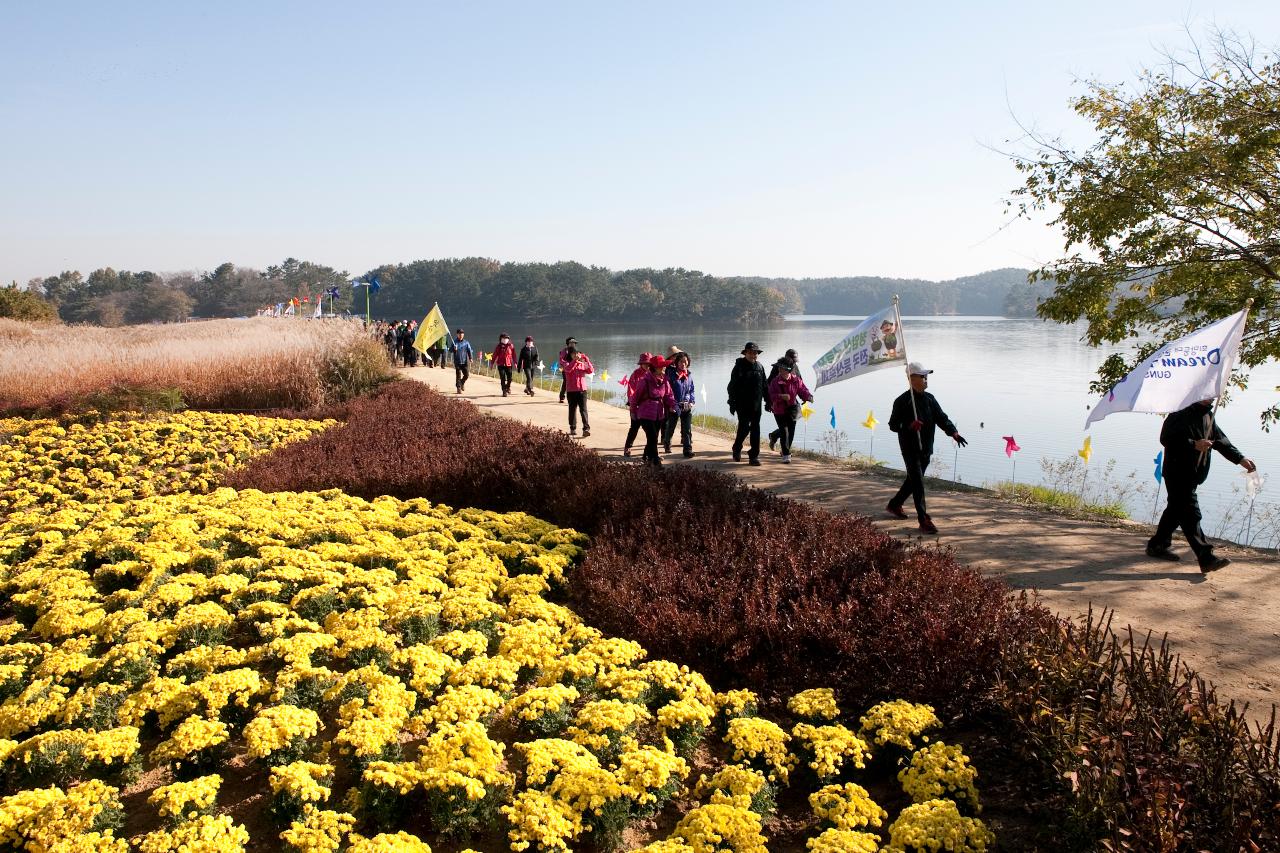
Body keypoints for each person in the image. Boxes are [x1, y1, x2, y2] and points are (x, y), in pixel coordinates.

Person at [1146, 400, 1257, 573]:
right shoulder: (1179, 412)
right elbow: (1166, 438)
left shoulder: (1207, 415)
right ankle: (1206, 557)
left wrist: (1240, 459)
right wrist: (1193, 444)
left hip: (1194, 473)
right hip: (1177, 472)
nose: (1212, 397)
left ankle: (1157, 545)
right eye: (1209, 393)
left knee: (1175, 511)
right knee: (1191, 514)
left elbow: (1220, 441)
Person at [887, 362, 967, 534]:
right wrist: (909, 425)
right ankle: (924, 520)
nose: (925, 379)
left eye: (926, 376)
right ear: (911, 378)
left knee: (913, 480)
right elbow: (893, 425)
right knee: (918, 483)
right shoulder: (902, 401)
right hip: (910, 448)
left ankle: (894, 505)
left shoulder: (930, 398)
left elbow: (941, 418)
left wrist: (953, 432)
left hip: (926, 447)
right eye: (922, 376)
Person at [727, 342, 768, 466]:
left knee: (756, 429)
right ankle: (737, 447)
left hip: (756, 405)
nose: (753, 355)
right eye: (750, 353)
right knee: (744, 427)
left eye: (755, 353)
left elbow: (765, 386)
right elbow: (731, 387)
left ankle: (753, 456)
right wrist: (732, 402)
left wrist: (768, 401)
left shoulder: (760, 367)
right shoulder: (739, 367)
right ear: (745, 353)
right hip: (742, 404)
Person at [632, 354, 676, 466]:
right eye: (661, 366)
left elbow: (669, 395)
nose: (664, 368)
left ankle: (646, 456)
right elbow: (635, 397)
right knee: (652, 437)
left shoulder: (664, 380)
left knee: (653, 437)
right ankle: (655, 461)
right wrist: (633, 411)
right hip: (645, 413)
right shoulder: (645, 381)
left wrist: (672, 405)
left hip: (659, 413)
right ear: (655, 367)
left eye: (664, 366)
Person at [767, 359, 813, 463]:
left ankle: (784, 451)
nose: (779, 370)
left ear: (788, 370)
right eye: (778, 368)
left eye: (781, 368)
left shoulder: (796, 380)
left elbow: (803, 390)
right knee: (784, 432)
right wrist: (781, 396)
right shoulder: (775, 381)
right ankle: (786, 455)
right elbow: (771, 395)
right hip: (779, 410)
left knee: (791, 432)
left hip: (793, 409)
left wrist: (808, 397)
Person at [766, 350, 802, 449]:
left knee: (792, 426)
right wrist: (768, 402)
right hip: (779, 402)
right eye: (792, 360)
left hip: (792, 402)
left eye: (795, 361)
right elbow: (769, 384)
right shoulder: (777, 368)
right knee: (784, 428)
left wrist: (805, 396)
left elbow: (800, 382)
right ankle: (785, 451)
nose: (793, 362)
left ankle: (778, 440)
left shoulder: (795, 367)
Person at [663, 351, 696, 458]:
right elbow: (668, 391)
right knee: (671, 426)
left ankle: (687, 450)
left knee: (687, 429)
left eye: (685, 362)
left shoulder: (689, 375)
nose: (683, 364)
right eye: (681, 362)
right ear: (677, 363)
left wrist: (692, 401)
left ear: (688, 362)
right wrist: (671, 405)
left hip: (686, 405)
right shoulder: (671, 374)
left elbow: (691, 390)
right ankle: (667, 443)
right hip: (674, 404)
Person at [622, 353, 652, 457]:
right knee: (634, 428)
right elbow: (631, 392)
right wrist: (633, 406)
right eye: (645, 363)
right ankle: (627, 447)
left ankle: (650, 453)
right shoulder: (635, 374)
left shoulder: (653, 374)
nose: (647, 365)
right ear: (641, 363)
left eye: (649, 363)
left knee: (651, 431)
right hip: (637, 406)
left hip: (649, 408)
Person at [560, 346, 594, 437]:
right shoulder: (566, 363)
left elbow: (590, 370)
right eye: (573, 354)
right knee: (572, 410)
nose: (575, 355)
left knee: (583, 410)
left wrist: (586, 359)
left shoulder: (581, 363)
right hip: (571, 391)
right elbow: (568, 369)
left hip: (582, 390)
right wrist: (575, 361)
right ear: (570, 355)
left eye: (577, 354)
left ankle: (586, 428)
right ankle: (572, 428)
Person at [448, 328, 475, 394]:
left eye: (462, 334)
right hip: (457, 361)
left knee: (466, 375)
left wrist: (471, 358)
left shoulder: (466, 342)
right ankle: (458, 387)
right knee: (458, 375)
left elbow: (469, 350)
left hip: (465, 361)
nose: (461, 335)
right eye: (459, 334)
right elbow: (450, 350)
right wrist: (454, 348)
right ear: (457, 334)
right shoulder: (454, 342)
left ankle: (462, 382)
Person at [558, 337, 577, 403]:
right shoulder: (564, 351)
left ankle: (572, 398)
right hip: (565, 369)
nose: (573, 344)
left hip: (574, 369)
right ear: (568, 344)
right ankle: (562, 397)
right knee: (566, 382)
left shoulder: (575, 350)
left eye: (574, 343)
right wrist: (566, 364)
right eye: (572, 343)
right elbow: (561, 360)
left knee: (573, 383)